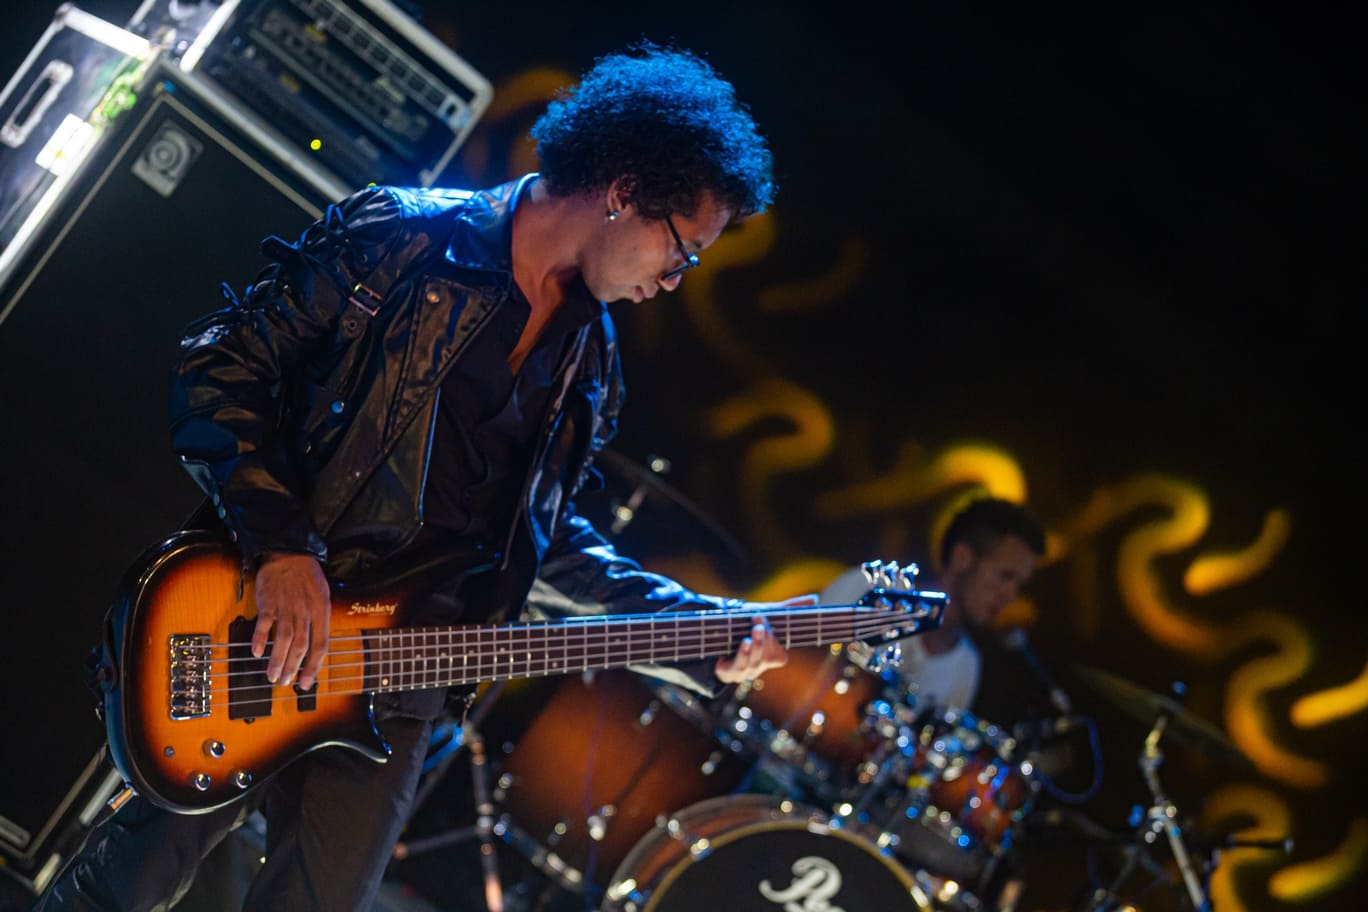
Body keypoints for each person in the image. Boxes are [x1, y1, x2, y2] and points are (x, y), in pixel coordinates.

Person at [37, 41, 790, 911]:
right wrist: (282, 549)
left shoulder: (591, 360)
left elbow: (540, 539)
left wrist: (697, 626)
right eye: (682, 251)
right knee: (134, 878)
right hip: (271, 619)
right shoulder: (401, 237)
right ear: (623, 191)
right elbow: (219, 369)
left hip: (406, 676)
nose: (674, 280)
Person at [821, 496, 1047, 713]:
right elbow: (806, 660)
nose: (1011, 596)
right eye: (1005, 576)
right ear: (962, 558)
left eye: (1019, 585)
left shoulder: (967, 665)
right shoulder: (872, 589)